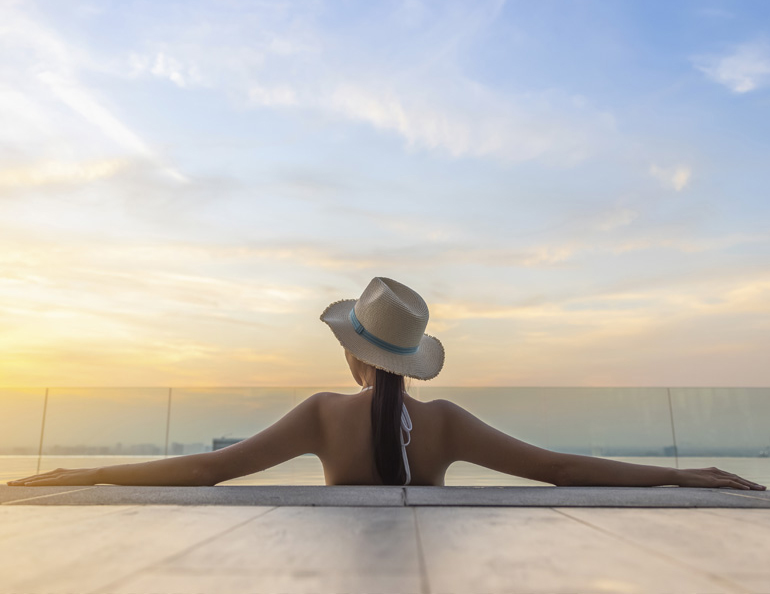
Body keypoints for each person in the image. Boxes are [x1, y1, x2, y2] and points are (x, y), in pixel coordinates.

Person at [7, 276, 766, 492]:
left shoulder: (321, 413)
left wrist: (93, 472)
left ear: (353, 353)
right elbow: (560, 470)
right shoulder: (448, 423)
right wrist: (680, 476)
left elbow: (208, 470)